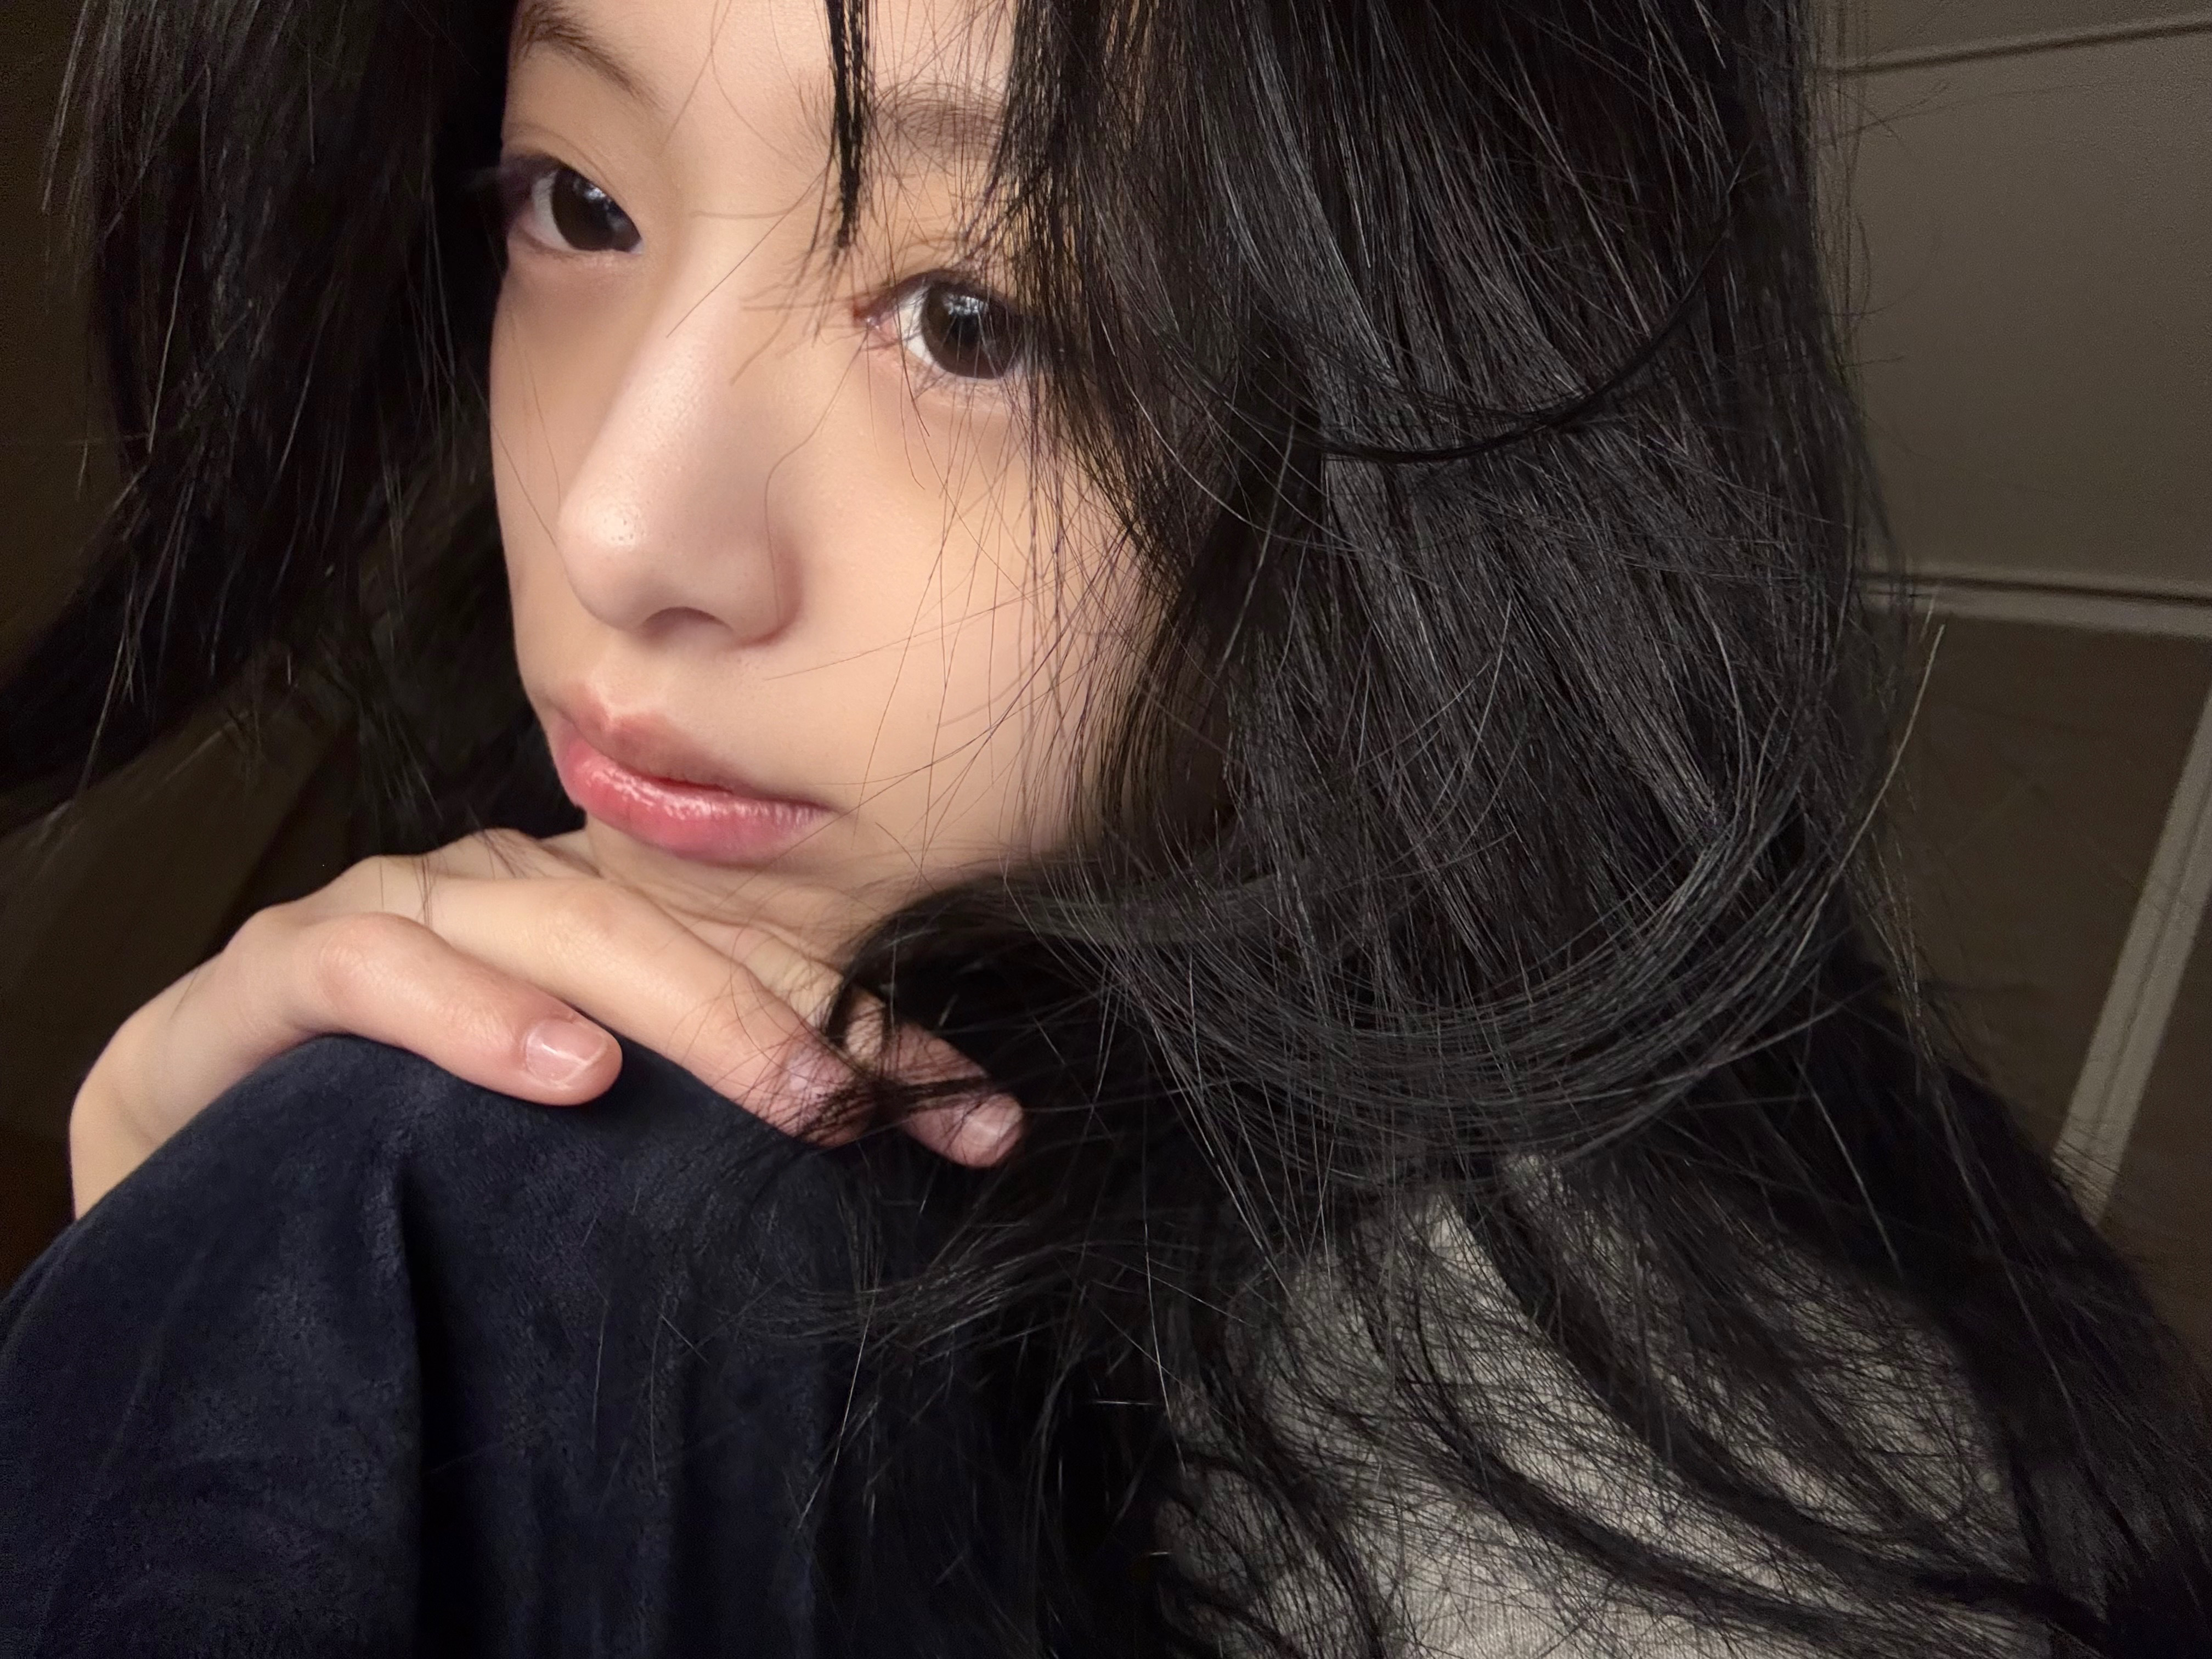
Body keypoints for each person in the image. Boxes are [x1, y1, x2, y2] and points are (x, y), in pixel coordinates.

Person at [2, 0, 2208, 1652]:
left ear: (1414, 459)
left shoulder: (1613, 1479)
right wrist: (187, 1321)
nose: (618, 524)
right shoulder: (509, 1085)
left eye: (973, 320)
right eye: (582, 206)